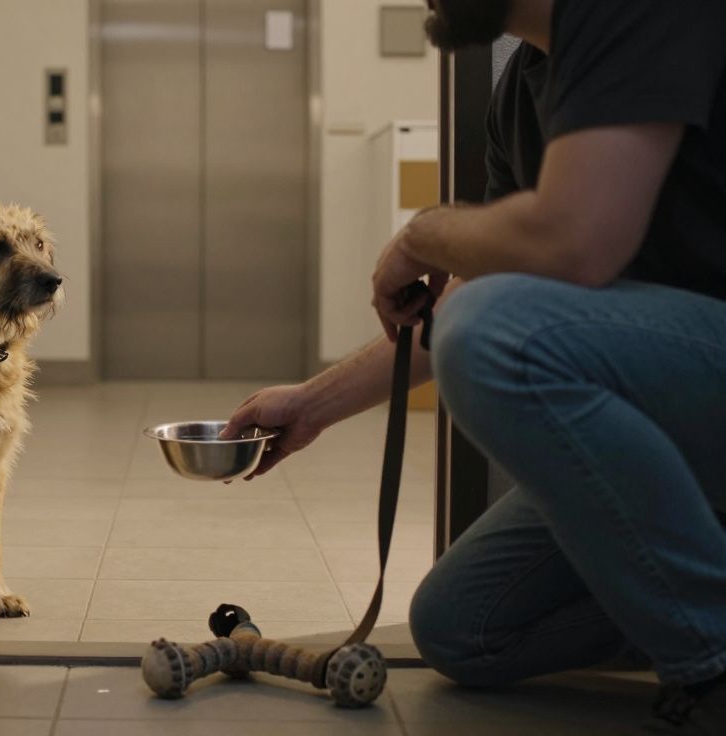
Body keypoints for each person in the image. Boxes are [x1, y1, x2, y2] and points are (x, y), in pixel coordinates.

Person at [222, 0, 726, 732]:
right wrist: (310, 404)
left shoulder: (639, 11)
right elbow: (461, 313)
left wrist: (426, 232)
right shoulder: (522, 90)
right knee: (463, 628)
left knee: (495, 330)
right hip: (669, 425)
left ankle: (708, 657)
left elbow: (570, 247)